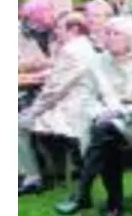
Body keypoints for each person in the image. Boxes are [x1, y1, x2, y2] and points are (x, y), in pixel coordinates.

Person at [55, 17, 132, 216]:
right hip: (105, 123)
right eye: (107, 33)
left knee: (103, 134)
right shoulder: (97, 62)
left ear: (130, 38)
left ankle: (86, 194)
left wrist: (122, 111)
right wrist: (100, 112)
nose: (110, 38)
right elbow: (86, 98)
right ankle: (109, 204)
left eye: (116, 33)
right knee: (105, 135)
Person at [18, 13, 96, 195]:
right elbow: (61, 77)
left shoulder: (71, 51)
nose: (56, 33)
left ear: (74, 29)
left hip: (71, 111)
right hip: (81, 104)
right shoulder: (85, 46)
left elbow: (53, 91)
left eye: (60, 29)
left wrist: (32, 112)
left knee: (17, 124)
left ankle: (32, 177)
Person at [18, 0, 57, 74]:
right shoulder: (19, 33)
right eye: (47, 10)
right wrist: (33, 63)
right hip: (28, 81)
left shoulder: (58, 31)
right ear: (34, 14)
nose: (53, 14)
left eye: (52, 10)